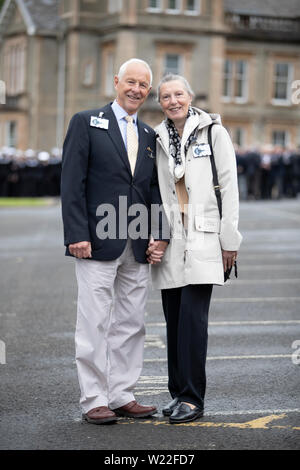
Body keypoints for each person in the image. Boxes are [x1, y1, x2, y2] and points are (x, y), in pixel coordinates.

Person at [61, 58, 168, 425]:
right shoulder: (86, 123)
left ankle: (122, 394)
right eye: (131, 82)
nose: (136, 90)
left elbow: (154, 190)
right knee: (93, 321)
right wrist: (77, 234)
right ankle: (94, 398)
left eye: (143, 85)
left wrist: (159, 234)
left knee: (131, 322)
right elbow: (71, 182)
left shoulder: (150, 135)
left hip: (137, 243)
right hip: (96, 241)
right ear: (116, 82)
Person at [147, 74, 242, 424]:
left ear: (190, 95)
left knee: (192, 321)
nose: (173, 101)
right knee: (173, 321)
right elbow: (154, 192)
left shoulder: (213, 131)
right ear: (160, 102)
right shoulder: (157, 138)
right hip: (172, 240)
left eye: (178, 94)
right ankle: (177, 394)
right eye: (166, 96)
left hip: (205, 237)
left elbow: (229, 188)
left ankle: (192, 398)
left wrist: (229, 241)